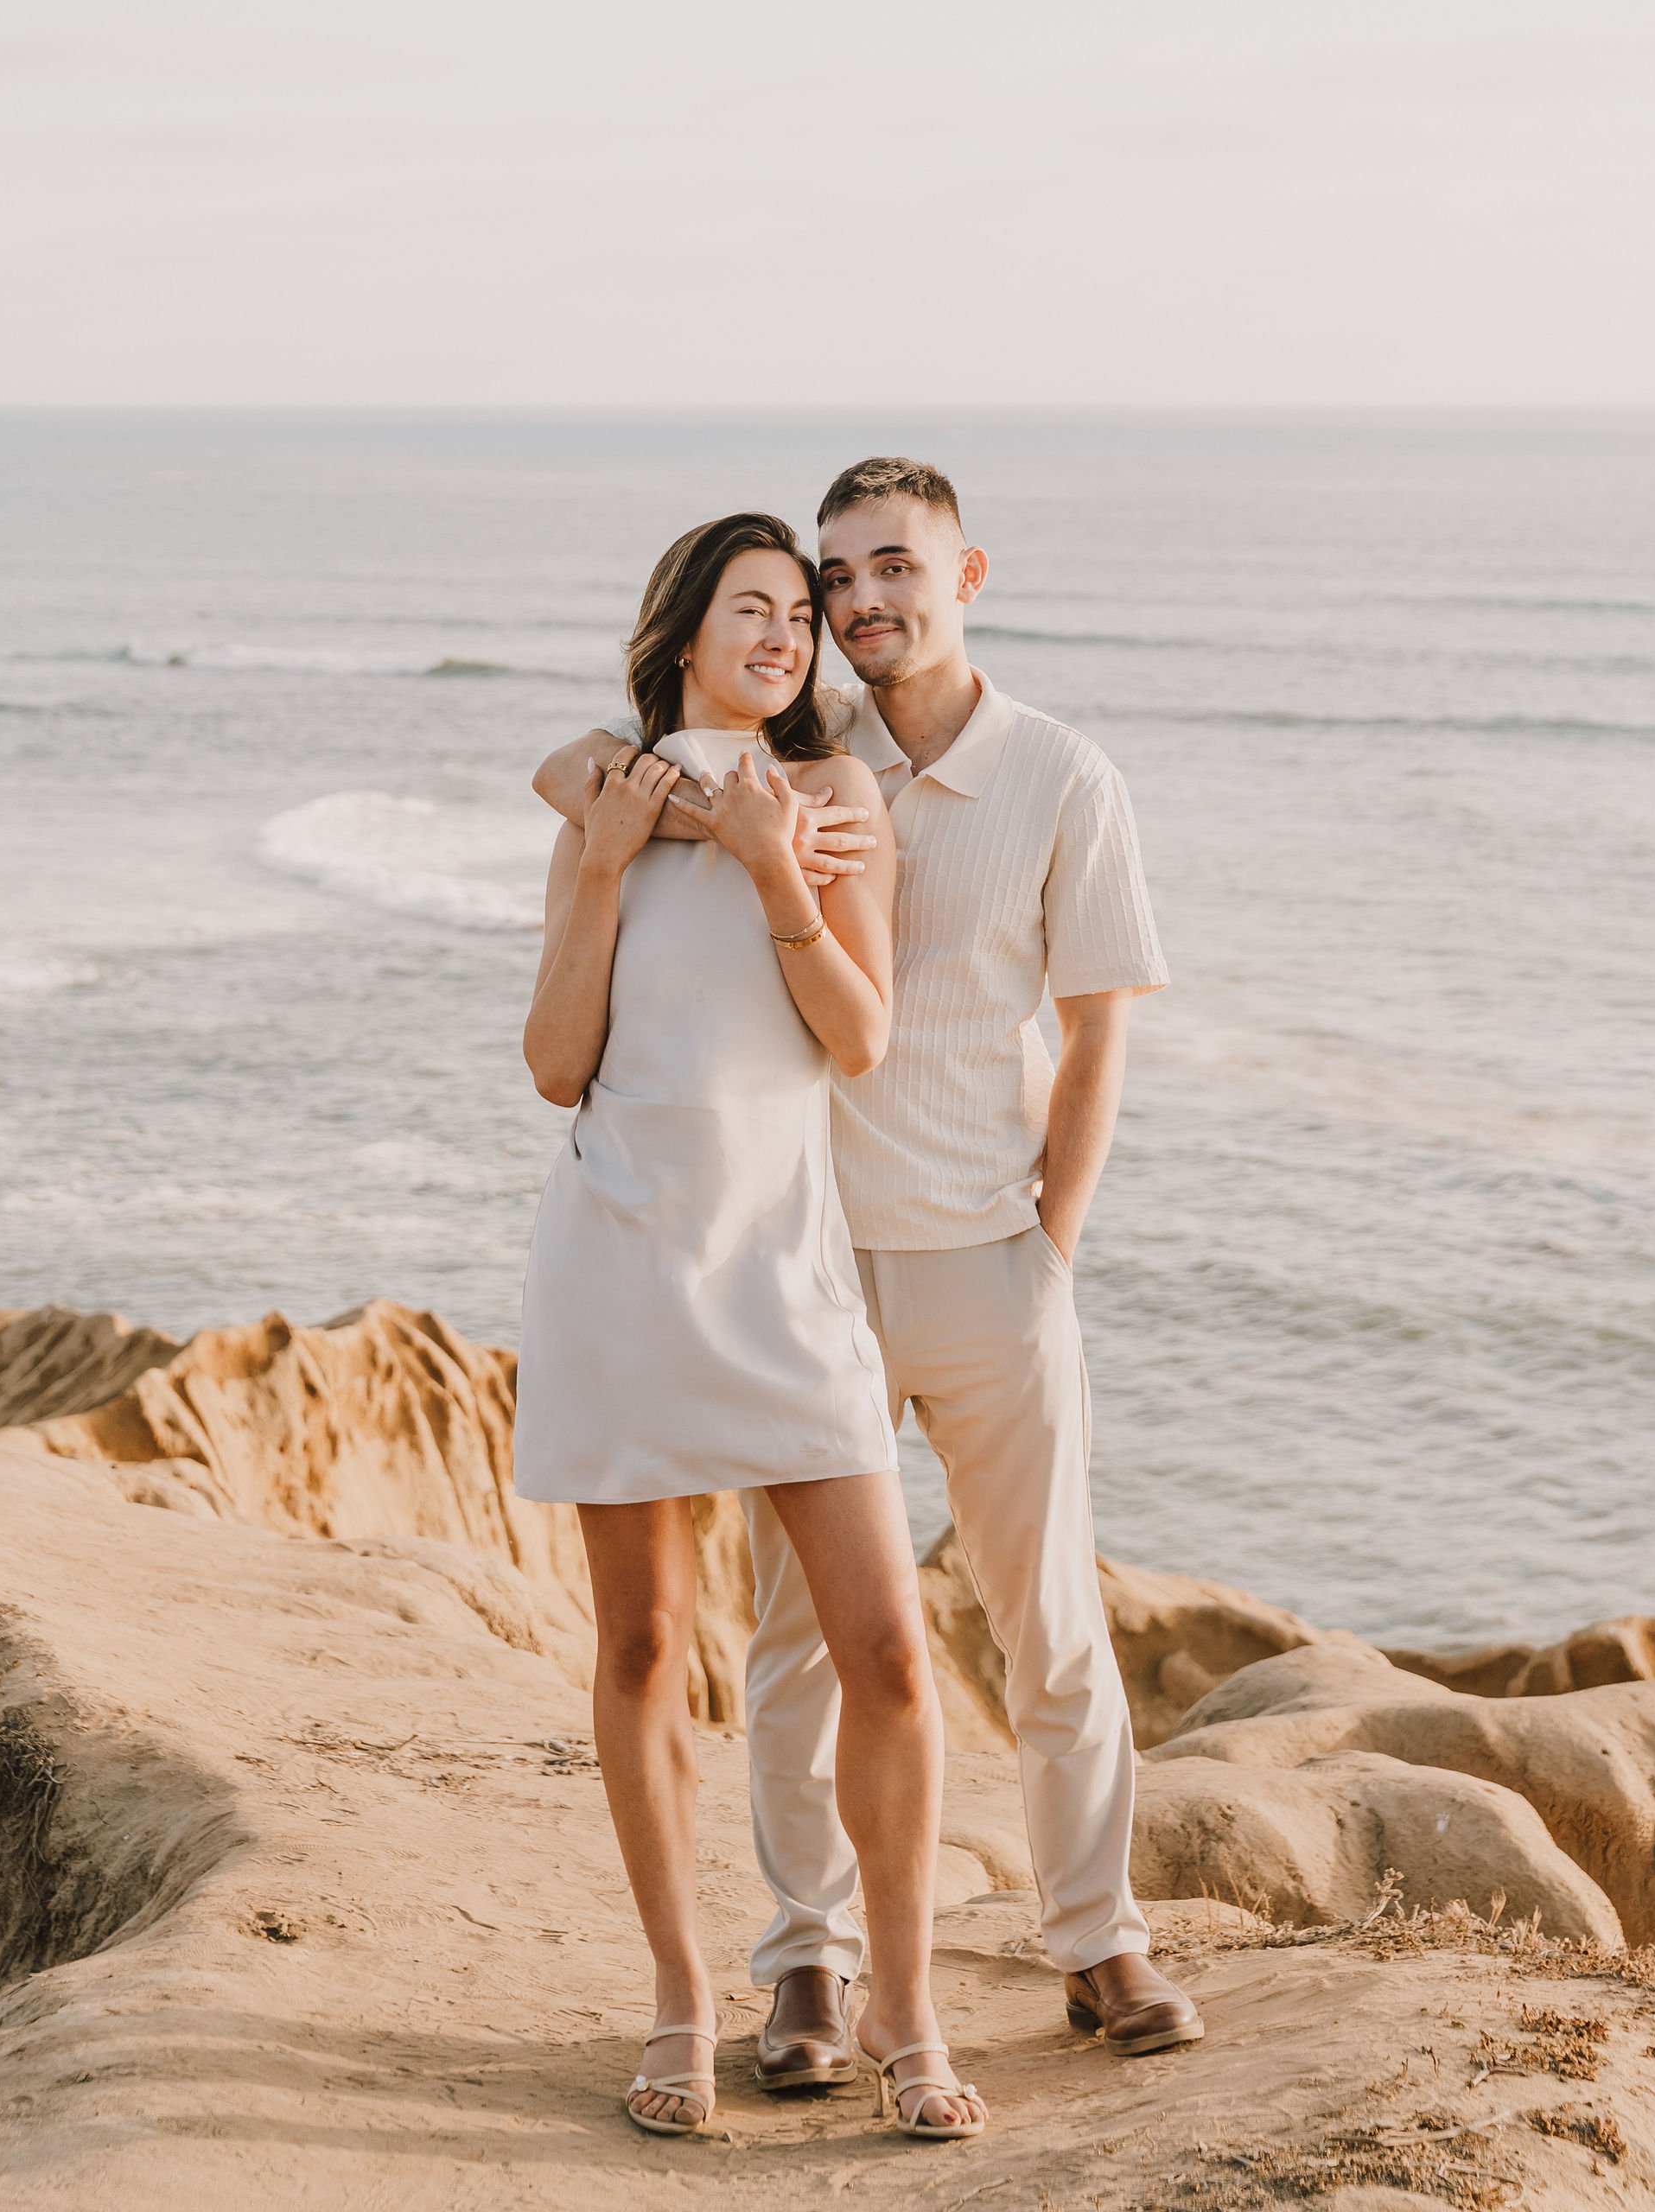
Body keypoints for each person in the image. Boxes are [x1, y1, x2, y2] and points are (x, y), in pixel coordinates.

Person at [534, 457, 1200, 2088]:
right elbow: (590, 792)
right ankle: (805, 1968)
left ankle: (1097, 1938)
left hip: (982, 1254)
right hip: (796, 1260)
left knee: (1043, 1620)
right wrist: (608, 805)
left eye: (885, 569)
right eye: (829, 582)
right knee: (793, 1656)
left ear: (967, 570)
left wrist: (1053, 1241)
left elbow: (1099, 1023)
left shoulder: (1050, 775)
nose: (854, 604)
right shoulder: (804, 763)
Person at [516, 510, 985, 2141]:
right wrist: (597, 854)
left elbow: (857, 1041)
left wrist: (777, 868)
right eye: (753, 608)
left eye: (800, 612)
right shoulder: (611, 796)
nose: (787, 633)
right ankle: (677, 2003)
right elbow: (557, 1063)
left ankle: (906, 2013)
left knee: (889, 1658)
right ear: (685, 634)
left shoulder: (840, 799)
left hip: (781, 1268)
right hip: (622, 1256)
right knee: (642, 1647)